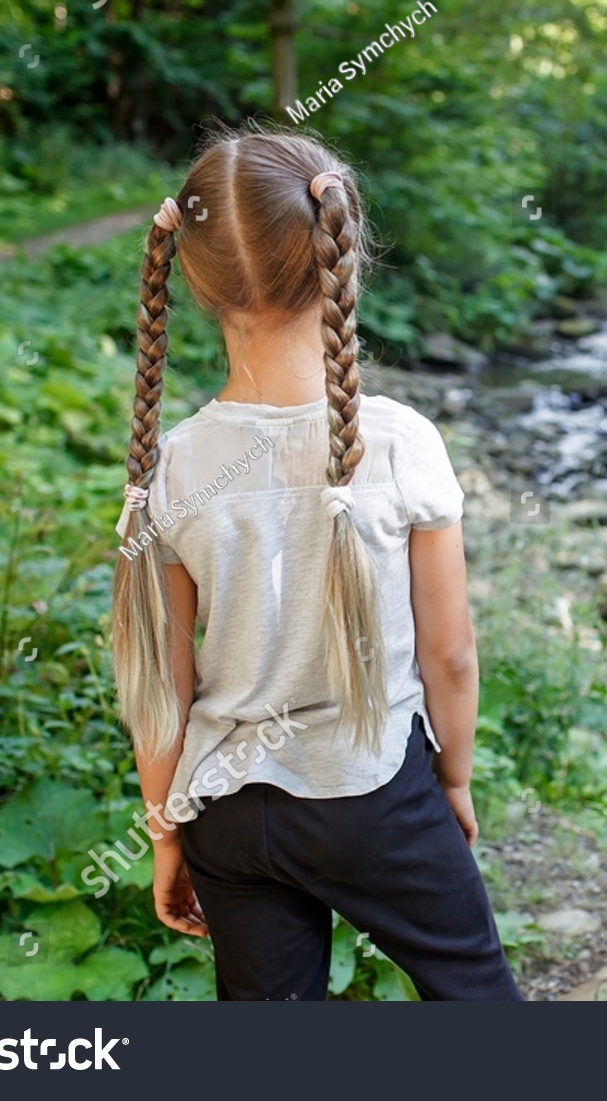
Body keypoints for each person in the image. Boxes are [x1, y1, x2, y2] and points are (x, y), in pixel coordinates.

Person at [109, 126, 521, 1002]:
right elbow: (450, 653)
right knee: (475, 994)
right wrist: (450, 782)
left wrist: (167, 831)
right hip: (372, 790)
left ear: (189, 271)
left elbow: (161, 684)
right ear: (344, 253)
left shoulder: (174, 464)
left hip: (226, 807)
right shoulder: (401, 442)